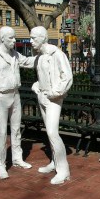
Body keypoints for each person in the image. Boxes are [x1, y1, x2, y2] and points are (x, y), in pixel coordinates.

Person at [0, 26, 35, 180]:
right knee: (1, 133)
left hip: (15, 95)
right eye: (11, 38)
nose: (14, 40)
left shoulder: (15, 54)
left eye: (14, 37)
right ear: (2, 39)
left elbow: (27, 61)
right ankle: (1, 164)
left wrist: (45, 56)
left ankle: (17, 159)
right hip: (1, 97)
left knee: (16, 129)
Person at [30, 26, 73, 185]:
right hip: (43, 97)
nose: (31, 41)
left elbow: (67, 77)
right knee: (49, 134)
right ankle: (54, 162)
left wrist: (55, 92)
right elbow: (44, 77)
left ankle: (63, 170)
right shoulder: (40, 57)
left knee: (53, 132)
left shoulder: (57, 54)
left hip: (54, 98)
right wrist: (37, 85)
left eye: (34, 38)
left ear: (42, 38)